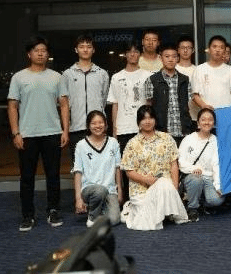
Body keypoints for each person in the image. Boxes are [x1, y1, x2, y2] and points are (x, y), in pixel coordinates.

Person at [8, 36, 70, 231]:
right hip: (27, 134)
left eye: (44, 50)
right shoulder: (19, 77)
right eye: (36, 50)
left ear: (47, 54)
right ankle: (28, 215)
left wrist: (65, 130)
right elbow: (12, 106)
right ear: (29, 54)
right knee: (27, 178)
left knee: (53, 175)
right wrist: (16, 133)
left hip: (52, 132)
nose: (41, 53)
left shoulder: (57, 77)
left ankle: (53, 210)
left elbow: (64, 105)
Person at [119, 105, 189, 230]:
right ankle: (133, 207)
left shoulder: (166, 138)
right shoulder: (132, 144)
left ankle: (166, 208)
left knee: (163, 183)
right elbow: (129, 171)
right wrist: (145, 179)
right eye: (143, 118)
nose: (147, 121)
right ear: (138, 122)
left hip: (165, 186)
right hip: (141, 189)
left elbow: (174, 165)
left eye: (150, 118)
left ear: (155, 120)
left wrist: (174, 188)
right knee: (146, 223)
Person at [106, 41, 152, 202]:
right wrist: (114, 130)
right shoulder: (116, 77)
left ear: (140, 54)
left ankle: (145, 201)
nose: (133, 54)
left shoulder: (148, 75)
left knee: (145, 165)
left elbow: (150, 103)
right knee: (126, 167)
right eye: (130, 51)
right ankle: (126, 202)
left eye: (136, 51)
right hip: (123, 128)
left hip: (143, 128)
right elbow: (115, 104)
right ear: (125, 55)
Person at [62, 34, 109, 164]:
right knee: (79, 165)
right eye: (81, 46)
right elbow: (65, 104)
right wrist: (66, 129)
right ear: (76, 50)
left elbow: (103, 100)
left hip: (98, 127)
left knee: (100, 165)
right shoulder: (67, 74)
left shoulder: (102, 73)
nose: (85, 49)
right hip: (76, 128)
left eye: (88, 46)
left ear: (93, 50)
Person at [72, 110, 122, 227]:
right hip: (89, 189)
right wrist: (78, 198)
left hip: (109, 189)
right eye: (93, 123)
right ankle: (92, 217)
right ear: (88, 126)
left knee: (115, 220)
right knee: (100, 191)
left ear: (106, 124)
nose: (97, 126)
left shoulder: (113, 142)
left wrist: (119, 190)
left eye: (100, 122)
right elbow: (77, 172)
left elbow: (117, 168)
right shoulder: (81, 145)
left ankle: (99, 210)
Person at [179, 108, 224, 223]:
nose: (207, 122)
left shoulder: (216, 141)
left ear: (214, 123)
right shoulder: (188, 139)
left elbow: (216, 165)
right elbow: (181, 161)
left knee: (216, 200)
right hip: (192, 176)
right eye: (203, 119)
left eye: (210, 120)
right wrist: (194, 168)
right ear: (198, 123)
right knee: (196, 179)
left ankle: (202, 202)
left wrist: (218, 186)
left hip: (208, 177)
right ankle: (192, 208)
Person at [144, 43, 192, 146]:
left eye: (174, 56)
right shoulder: (152, 80)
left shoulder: (185, 80)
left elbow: (188, 105)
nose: (171, 59)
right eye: (167, 56)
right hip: (161, 133)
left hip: (183, 132)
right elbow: (149, 107)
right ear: (160, 58)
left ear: (178, 58)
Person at [193, 35, 231, 111]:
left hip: (227, 112)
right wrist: (204, 106)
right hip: (207, 113)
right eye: (214, 47)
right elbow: (195, 95)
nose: (217, 50)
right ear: (209, 49)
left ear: (224, 51)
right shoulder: (199, 69)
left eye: (221, 47)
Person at [175, 34, 199, 125]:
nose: (185, 50)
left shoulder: (198, 70)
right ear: (178, 50)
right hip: (176, 116)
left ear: (193, 50)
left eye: (188, 48)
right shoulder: (173, 69)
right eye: (182, 48)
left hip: (194, 115)